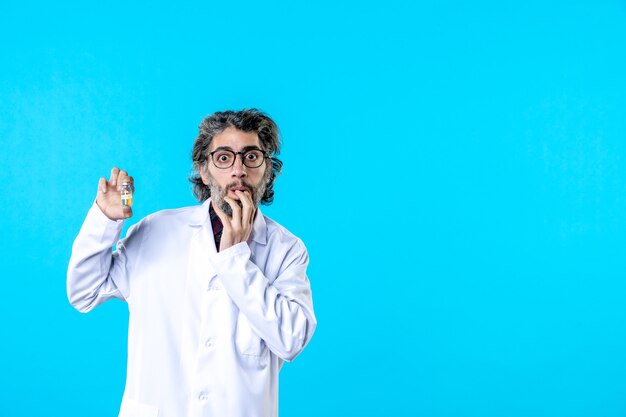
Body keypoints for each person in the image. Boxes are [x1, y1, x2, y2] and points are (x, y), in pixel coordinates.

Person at [67, 109, 316, 417]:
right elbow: (84, 292)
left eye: (251, 157)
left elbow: (291, 339)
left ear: (267, 169)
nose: (238, 170)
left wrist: (235, 259)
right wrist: (105, 220)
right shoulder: (155, 231)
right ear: (204, 169)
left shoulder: (286, 249)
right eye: (224, 158)